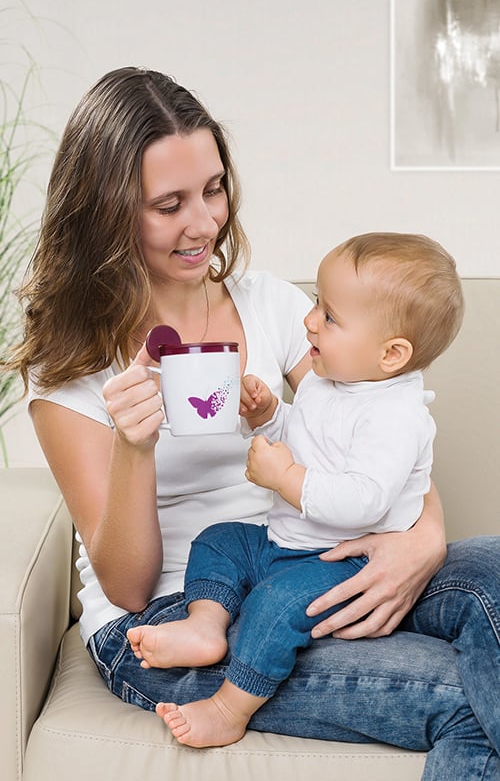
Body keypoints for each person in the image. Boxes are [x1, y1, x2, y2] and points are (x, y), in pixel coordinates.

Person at [4, 67, 499, 779]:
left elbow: (378, 428)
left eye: (213, 189)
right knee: (462, 695)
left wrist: (421, 541)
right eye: (169, 204)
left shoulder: (273, 305)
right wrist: (134, 449)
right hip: (172, 613)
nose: (205, 223)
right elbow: (127, 588)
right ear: (106, 215)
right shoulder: (71, 370)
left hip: (305, 561)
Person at [126, 232, 465, 748]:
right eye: (315, 303)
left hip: (339, 559)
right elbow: (308, 440)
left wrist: (286, 478)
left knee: (275, 607)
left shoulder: (396, 416)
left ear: (391, 354)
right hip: (283, 542)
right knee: (219, 541)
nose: (309, 320)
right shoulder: (330, 382)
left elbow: (364, 500)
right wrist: (268, 415)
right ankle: (204, 624)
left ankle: (229, 707)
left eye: (329, 316)